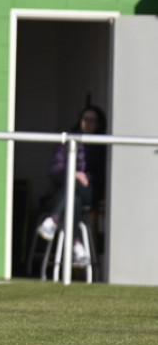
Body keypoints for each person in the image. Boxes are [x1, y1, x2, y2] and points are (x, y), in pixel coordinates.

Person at [36, 105, 107, 265]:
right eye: (85, 119)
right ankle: (77, 246)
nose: (87, 123)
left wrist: (86, 176)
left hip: (91, 190)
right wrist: (73, 174)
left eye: (92, 120)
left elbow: (105, 173)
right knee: (73, 200)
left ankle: (53, 220)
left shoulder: (102, 144)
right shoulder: (68, 140)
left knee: (74, 187)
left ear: (98, 124)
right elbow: (54, 169)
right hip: (67, 190)